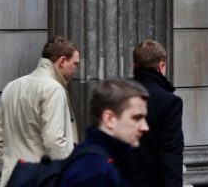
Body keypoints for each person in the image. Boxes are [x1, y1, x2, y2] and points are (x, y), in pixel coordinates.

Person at [0, 36, 81, 187]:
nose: (75, 70)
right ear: (61, 61)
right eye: (74, 64)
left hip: (12, 177)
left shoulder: (11, 87)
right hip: (41, 178)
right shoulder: (53, 89)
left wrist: (13, 163)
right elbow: (54, 140)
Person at [58, 78, 150, 187]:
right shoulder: (94, 171)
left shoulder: (103, 162)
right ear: (109, 119)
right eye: (137, 118)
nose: (145, 127)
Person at [130, 40, 184, 187]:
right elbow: (171, 153)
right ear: (161, 66)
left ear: (134, 65)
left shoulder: (117, 95)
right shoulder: (169, 102)